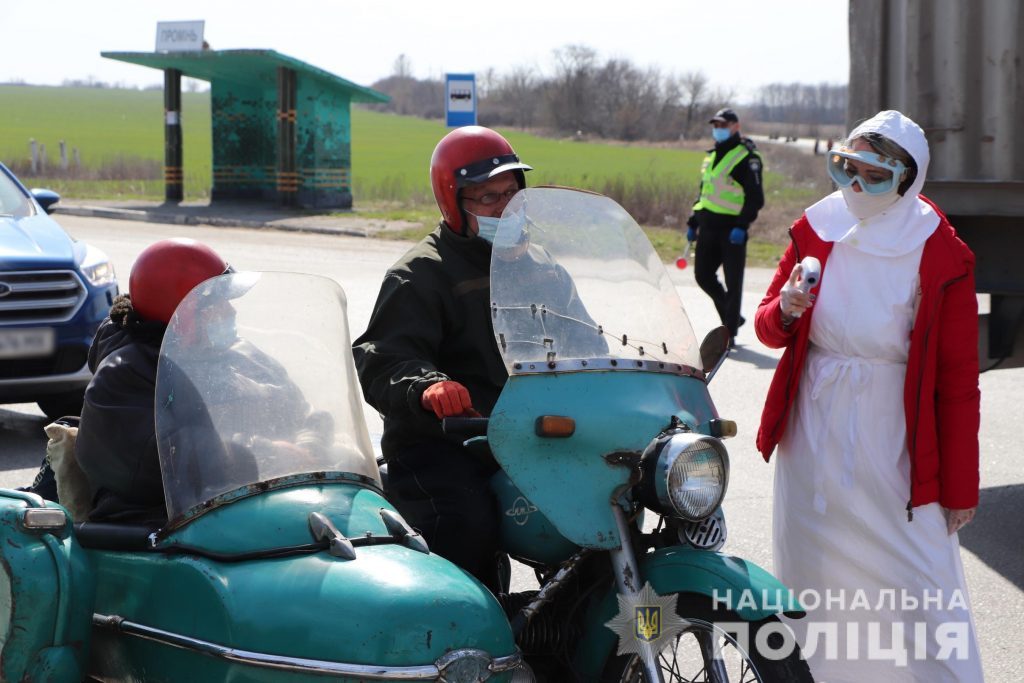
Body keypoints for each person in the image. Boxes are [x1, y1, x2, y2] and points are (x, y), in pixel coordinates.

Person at [755, 110, 983, 680]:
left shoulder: (938, 252)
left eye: (873, 176)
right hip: (812, 428)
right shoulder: (818, 227)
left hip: (893, 434)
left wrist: (959, 486)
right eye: (844, 170)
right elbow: (765, 327)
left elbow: (958, 382)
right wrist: (785, 309)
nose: (855, 187)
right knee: (813, 569)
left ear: (908, 180)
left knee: (920, 575)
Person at [352, 125, 532, 594]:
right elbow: (382, 357)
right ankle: (464, 651)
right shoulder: (422, 273)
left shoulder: (540, 268)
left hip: (528, 435)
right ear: (454, 202)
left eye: (511, 194)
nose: (503, 208)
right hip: (445, 443)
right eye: (487, 197)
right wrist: (427, 387)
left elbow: (582, 341)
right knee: (467, 526)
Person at [75, 238, 234, 523]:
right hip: (165, 532)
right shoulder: (124, 378)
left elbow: (294, 409)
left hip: (237, 509)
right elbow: (173, 468)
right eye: (218, 304)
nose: (231, 313)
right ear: (182, 312)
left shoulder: (226, 356)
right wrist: (253, 451)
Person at [685, 107, 764, 345]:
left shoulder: (747, 158)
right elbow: (705, 193)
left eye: (723, 125)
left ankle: (729, 332)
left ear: (735, 127)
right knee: (703, 276)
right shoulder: (712, 156)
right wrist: (693, 220)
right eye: (715, 126)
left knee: (733, 282)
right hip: (707, 226)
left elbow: (755, 198)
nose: (718, 130)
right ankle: (733, 317)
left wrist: (742, 225)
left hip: (732, 230)